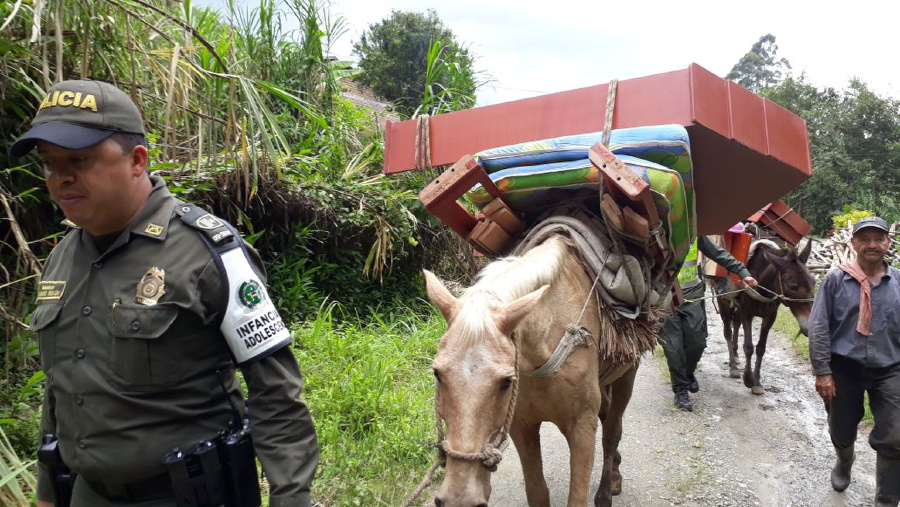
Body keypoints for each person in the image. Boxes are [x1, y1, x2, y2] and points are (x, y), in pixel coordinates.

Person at [14, 80, 319, 506]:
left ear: (137, 160)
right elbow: (62, 389)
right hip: (87, 494)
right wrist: (48, 492)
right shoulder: (63, 256)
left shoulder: (208, 252)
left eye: (79, 160)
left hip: (186, 494)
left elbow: (276, 392)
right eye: (49, 164)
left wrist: (291, 499)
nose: (61, 178)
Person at [809, 216, 900, 506]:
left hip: (890, 368)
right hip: (844, 368)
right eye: (864, 239)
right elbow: (820, 326)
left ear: (888, 242)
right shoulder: (836, 279)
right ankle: (844, 461)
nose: (872, 244)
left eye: (878, 238)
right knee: (841, 428)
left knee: (896, 433)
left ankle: (886, 500)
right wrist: (822, 370)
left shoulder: (898, 281)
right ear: (854, 243)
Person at [662, 236, 758, 412]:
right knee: (673, 348)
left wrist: (743, 272)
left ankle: (688, 373)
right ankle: (681, 391)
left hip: (692, 295)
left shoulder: (693, 233)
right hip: (665, 298)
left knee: (697, 343)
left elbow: (719, 254)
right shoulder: (655, 233)